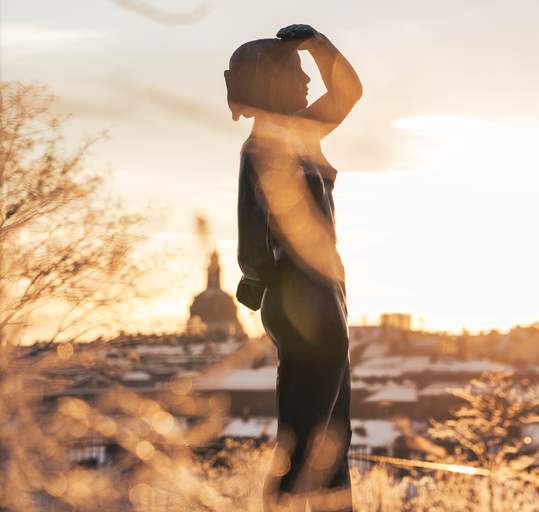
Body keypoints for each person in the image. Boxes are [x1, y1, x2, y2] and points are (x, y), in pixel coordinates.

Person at [224, 24, 362, 511]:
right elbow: (252, 227)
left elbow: (347, 91)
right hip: (305, 296)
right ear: (270, 83)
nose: (308, 85)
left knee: (331, 433)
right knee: (308, 435)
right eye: (298, 75)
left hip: (321, 294)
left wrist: (319, 46)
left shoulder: (296, 133)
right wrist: (257, 275)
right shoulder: (267, 144)